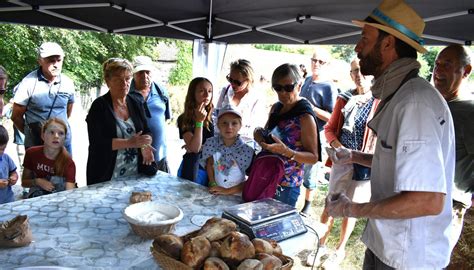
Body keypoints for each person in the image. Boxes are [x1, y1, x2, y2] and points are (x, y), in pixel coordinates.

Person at [326, 0, 456, 269]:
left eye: (364, 38)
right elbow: (402, 165)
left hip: (408, 256)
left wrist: (352, 209)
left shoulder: (414, 103)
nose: (357, 47)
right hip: (388, 245)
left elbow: (428, 199)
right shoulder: (401, 94)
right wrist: (354, 156)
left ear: (388, 44)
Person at [313, 58, 376, 267]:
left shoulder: (380, 101)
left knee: (352, 208)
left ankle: (339, 251)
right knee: (331, 203)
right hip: (342, 161)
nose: (359, 74)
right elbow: (329, 129)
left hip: (364, 164)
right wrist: (340, 148)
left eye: (363, 71)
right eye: (355, 71)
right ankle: (319, 245)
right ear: (350, 74)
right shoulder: (344, 98)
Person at [432, 44, 473, 269]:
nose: (438, 70)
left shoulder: (470, 112)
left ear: (466, 71)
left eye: (447, 64)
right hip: (419, 198)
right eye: (437, 64)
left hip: (450, 206)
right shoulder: (434, 105)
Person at [256, 63, 319, 207]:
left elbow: (313, 157)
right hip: (267, 175)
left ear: (299, 85)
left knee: (276, 227)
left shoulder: (305, 116)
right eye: (278, 88)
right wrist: (260, 135)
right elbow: (268, 134)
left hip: (287, 184)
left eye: (288, 88)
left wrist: (287, 152)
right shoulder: (276, 108)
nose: (282, 93)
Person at [86, 58, 154, 185]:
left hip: (135, 172)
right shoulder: (99, 106)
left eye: (127, 79)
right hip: (106, 173)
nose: (124, 84)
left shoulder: (136, 102)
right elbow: (98, 143)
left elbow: (147, 131)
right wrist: (130, 142)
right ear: (107, 81)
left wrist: (145, 145)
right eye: (118, 79)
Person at [11, 42, 75, 154]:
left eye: (59, 60)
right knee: (35, 172)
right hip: (36, 144)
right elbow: (16, 116)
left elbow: (68, 111)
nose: (56, 64)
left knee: (64, 171)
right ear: (40, 61)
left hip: (63, 144)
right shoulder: (28, 83)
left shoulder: (68, 83)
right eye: (51, 60)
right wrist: (32, 132)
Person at [299, 47, 338, 216]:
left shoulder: (329, 87)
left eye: (321, 62)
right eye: (314, 60)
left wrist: (312, 108)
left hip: (317, 134)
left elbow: (332, 117)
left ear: (327, 65)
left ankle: (307, 206)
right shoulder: (307, 80)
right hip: (299, 130)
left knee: (311, 170)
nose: (316, 64)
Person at [129, 56, 172, 173]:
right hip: (134, 158)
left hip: (160, 155)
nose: (144, 76)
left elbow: (166, 119)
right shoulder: (126, 94)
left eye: (147, 72)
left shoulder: (161, 92)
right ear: (133, 74)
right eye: (140, 72)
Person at [200, 105, 254, 195]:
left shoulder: (247, 151)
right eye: (224, 123)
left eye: (234, 123)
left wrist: (227, 191)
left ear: (240, 125)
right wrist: (212, 183)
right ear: (217, 125)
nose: (229, 127)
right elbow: (210, 164)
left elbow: (252, 179)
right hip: (216, 194)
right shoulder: (212, 144)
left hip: (237, 197)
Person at [215, 59, 266, 146]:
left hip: (243, 145)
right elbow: (216, 115)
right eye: (230, 79)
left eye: (237, 82)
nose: (232, 84)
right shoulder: (225, 91)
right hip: (220, 141)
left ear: (248, 80)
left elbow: (255, 128)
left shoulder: (256, 98)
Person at [21, 118, 76, 197]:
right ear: (43, 135)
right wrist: (37, 181)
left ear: (64, 139)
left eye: (61, 133)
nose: (56, 136)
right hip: (37, 196)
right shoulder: (31, 153)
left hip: (61, 198)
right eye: (51, 132)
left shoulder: (68, 162)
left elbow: (69, 194)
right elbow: (24, 182)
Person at [177, 77, 214, 185]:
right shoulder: (184, 119)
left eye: (210, 91)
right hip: (193, 167)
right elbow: (195, 148)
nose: (207, 95)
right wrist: (199, 122)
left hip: (212, 167)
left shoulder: (213, 116)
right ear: (193, 93)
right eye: (202, 91)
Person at [0, 124, 19, 204]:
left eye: (3, 149)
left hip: (7, 200)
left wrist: (13, 177)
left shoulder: (6, 158)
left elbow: (13, 172)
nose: (0, 152)